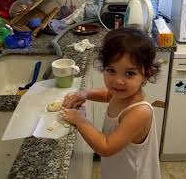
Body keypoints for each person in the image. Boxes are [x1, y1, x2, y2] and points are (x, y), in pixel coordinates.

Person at [60, 27, 162, 179]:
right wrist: (85, 94)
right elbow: (108, 95)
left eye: (130, 73)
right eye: (111, 70)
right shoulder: (122, 95)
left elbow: (106, 147)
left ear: (147, 74)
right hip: (119, 170)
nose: (118, 81)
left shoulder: (139, 112)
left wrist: (80, 120)